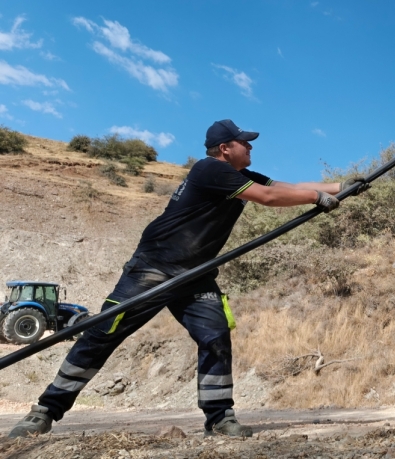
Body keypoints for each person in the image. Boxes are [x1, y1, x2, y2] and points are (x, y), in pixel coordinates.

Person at [9, 119, 367, 438]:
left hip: (195, 275)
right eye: (245, 142)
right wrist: (316, 198)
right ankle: (44, 411)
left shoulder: (240, 176)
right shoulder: (210, 169)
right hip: (154, 266)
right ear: (225, 149)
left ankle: (219, 419)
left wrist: (341, 186)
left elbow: (287, 185)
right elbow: (270, 197)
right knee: (103, 333)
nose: (251, 146)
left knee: (215, 335)